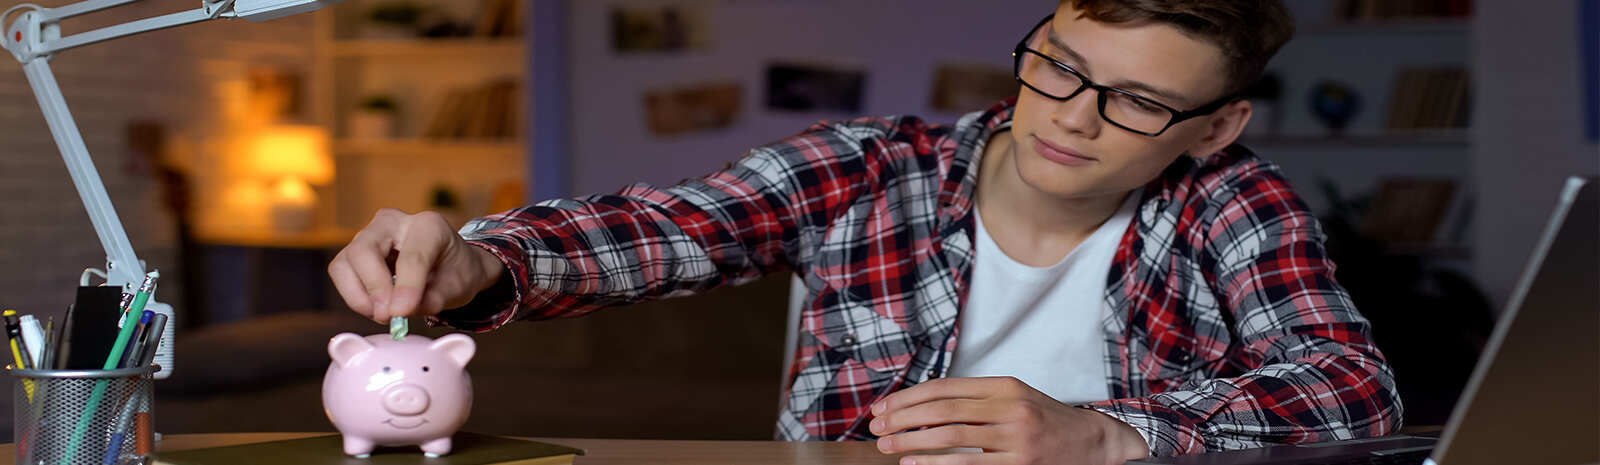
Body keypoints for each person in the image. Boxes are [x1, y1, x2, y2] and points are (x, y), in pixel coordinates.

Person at [327, 1, 1403, 464]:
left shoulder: (1232, 202)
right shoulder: (870, 165)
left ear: (1213, 128)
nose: (1071, 116)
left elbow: (1351, 390)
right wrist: (484, 259)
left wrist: (1109, 436)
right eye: (1060, 67)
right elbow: (663, 229)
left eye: (1135, 103)